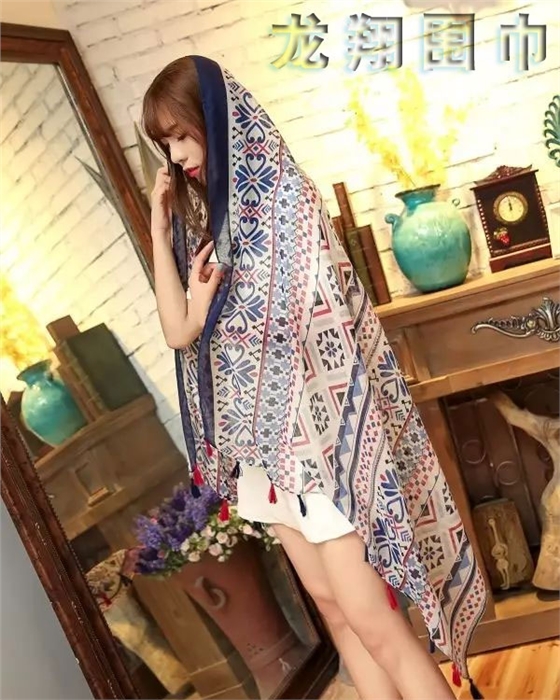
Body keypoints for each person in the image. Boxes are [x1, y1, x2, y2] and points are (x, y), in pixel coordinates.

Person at [142, 55, 488, 700]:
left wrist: (226, 317)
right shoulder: (210, 225)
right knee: (337, 616)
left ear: (216, 119)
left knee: (376, 623)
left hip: (322, 447)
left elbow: (311, 325)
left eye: (183, 134)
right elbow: (178, 331)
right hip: (264, 460)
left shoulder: (285, 202)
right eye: (166, 143)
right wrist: (161, 230)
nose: (178, 154)